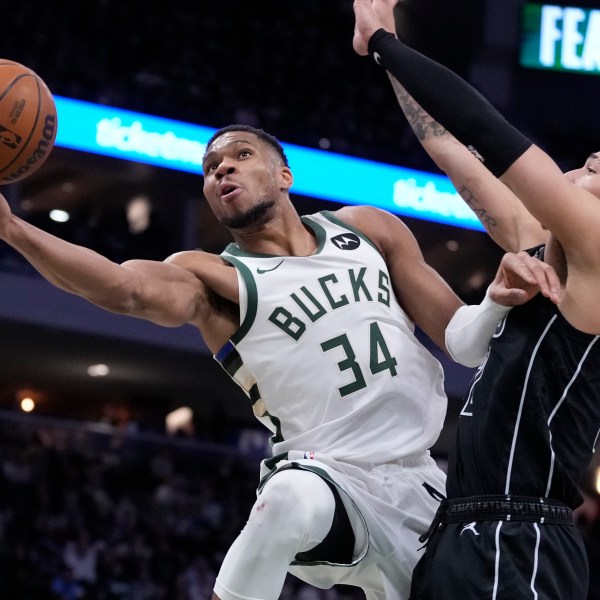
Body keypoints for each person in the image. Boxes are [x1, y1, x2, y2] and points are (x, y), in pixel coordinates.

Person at [0, 123, 557, 600]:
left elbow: (464, 342)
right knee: (288, 501)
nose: (222, 169)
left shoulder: (369, 230)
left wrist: (493, 300)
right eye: (211, 166)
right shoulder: (212, 277)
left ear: (285, 176)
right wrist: (13, 229)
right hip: (328, 475)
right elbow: (123, 288)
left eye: (240, 155)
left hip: (424, 481)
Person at [353, 1, 600, 598]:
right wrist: (381, 40)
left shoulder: (597, 247)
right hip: (464, 527)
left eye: (597, 167)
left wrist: (385, 40)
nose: (585, 163)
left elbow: (490, 132)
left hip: (521, 535)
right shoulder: (541, 243)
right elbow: (451, 148)